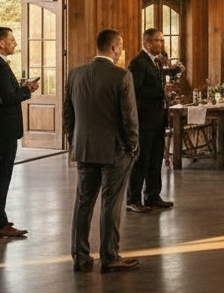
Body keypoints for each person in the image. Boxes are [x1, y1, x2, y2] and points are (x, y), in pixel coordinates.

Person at [65, 29, 140, 273]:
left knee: (83, 202)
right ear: (113, 47)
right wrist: (133, 144)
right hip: (114, 150)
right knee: (111, 203)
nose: (121, 51)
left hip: (84, 148)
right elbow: (129, 116)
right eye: (121, 46)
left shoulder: (75, 74)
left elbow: (68, 114)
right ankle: (109, 256)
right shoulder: (121, 76)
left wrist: (74, 141)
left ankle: (79, 256)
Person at [0, 27, 38, 238]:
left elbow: (1, 94)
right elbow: (7, 99)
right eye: (12, 40)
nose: (15, 43)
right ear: (1, 43)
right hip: (3, 129)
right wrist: (26, 90)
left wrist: (21, 87)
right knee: (0, 177)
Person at [126, 28, 172, 214]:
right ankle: (133, 199)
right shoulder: (138, 63)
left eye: (162, 40)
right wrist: (161, 92)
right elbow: (134, 91)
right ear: (147, 42)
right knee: (141, 161)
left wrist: (166, 95)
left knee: (155, 160)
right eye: (158, 40)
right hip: (144, 121)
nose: (161, 44)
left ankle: (153, 195)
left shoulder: (155, 62)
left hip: (157, 120)